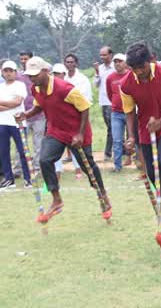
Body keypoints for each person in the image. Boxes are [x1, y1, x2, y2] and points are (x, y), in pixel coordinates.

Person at [17, 56, 110, 220]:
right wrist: (26, 114)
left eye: (35, 74)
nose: (32, 78)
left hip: (77, 133)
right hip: (56, 131)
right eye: (29, 75)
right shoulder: (36, 88)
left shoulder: (64, 88)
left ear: (45, 71)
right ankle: (56, 199)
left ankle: (102, 194)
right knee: (45, 160)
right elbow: (39, 106)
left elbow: (85, 108)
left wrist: (80, 133)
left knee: (88, 167)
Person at [121, 42, 161, 237]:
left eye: (141, 67)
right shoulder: (126, 84)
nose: (138, 72)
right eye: (134, 68)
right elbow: (129, 111)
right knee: (151, 172)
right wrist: (131, 136)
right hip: (145, 126)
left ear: (150, 60)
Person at [0, 61, 31, 189]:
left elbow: (18, 102)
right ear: (2, 72)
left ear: (15, 72)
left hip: (18, 123)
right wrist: (10, 104)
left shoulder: (20, 85)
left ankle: (28, 178)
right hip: (2, 122)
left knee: (23, 151)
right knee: (3, 152)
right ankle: (8, 179)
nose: (8, 73)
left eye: (10, 71)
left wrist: (4, 104)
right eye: (5, 71)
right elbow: (11, 104)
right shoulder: (1, 86)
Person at [16, 51, 46, 173]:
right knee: (21, 143)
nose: (23, 61)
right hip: (23, 115)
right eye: (21, 59)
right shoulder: (17, 76)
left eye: (26, 59)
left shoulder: (39, 75)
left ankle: (37, 167)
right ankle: (19, 168)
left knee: (38, 142)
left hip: (39, 114)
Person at [105, 53, 129, 172]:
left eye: (120, 61)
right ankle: (117, 166)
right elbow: (110, 94)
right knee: (117, 140)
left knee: (133, 139)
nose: (117, 64)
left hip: (130, 113)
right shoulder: (110, 78)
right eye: (115, 61)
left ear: (125, 63)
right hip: (116, 113)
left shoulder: (131, 75)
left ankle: (139, 163)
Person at [93, 46, 115, 161]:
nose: (102, 57)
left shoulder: (115, 67)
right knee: (110, 127)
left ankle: (108, 152)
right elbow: (96, 84)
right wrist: (97, 72)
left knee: (112, 128)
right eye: (101, 55)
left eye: (104, 55)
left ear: (110, 55)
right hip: (104, 102)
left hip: (114, 102)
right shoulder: (100, 68)